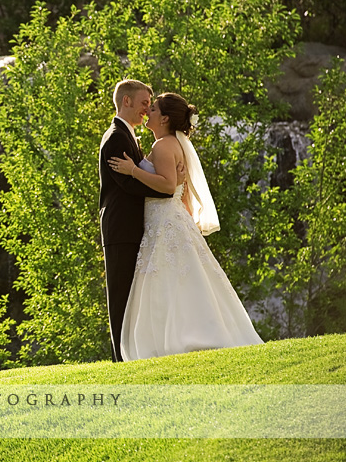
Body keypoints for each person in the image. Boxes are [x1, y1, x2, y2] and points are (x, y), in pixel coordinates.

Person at [108, 92, 263, 361]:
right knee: (177, 280)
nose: (148, 112)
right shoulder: (167, 144)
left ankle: (177, 338)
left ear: (165, 118)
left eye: (153, 108)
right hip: (167, 220)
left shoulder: (164, 146)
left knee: (168, 280)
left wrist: (133, 170)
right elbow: (180, 189)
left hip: (164, 220)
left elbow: (168, 187)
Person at [98, 80, 173, 363]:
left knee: (132, 298)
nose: (147, 108)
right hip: (120, 230)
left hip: (132, 228)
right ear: (126, 101)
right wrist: (167, 190)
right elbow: (128, 184)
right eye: (144, 102)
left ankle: (131, 355)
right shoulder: (116, 137)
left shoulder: (128, 135)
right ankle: (120, 360)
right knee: (120, 298)